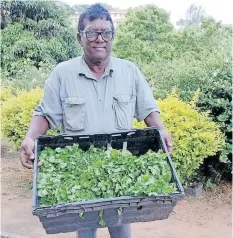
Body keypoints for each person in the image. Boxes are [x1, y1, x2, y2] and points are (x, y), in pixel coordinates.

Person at [20, 3, 173, 238]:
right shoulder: (62, 73)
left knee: (121, 231)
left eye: (106, 32)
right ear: (80, 37)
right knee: (85, 231)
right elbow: (45, 114)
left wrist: (161, 131)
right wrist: (30, 137)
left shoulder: (129, 71)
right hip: (79, 173)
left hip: (120, 171)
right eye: (92, 32)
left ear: (112, 36)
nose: (99, 39)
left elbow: (148, 110)